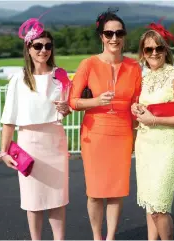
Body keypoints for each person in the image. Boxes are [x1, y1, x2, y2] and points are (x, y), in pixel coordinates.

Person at [69, 9, 142, 240]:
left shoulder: (134, 67)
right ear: (101, 36)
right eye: (108, 33)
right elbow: (73, 101)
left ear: (124, 36)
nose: (114, 38)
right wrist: (96, 101)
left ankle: (110, 237)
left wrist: (137, 121)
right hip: (95, 135)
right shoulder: (88, 64)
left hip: (122, 135)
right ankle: (96, 236)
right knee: (94, 192)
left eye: (119, 33)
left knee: (116, 191)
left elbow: (137, 103)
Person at [0, 16, 71, 240]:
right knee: (34, 200)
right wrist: (3, 151)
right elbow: (8, 118)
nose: (43, 50)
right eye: (38, 46)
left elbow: (65, 110)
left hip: (55, 141)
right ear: (28, 48)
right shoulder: (18, 79)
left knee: (58, 200)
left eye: (48, 46)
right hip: (29, 144)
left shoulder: (60, 76)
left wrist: (67, 108)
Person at [131, 21, 174, 240]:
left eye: (159, 48)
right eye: (149, 49)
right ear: (143, 52)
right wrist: (137, 108)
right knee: (150, 202)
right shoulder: (144, 77)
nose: (154, 53)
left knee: (159, 206)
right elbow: (146, 108)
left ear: (166, 49)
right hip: (146, 145)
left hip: (168, 145)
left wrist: (154, 119)